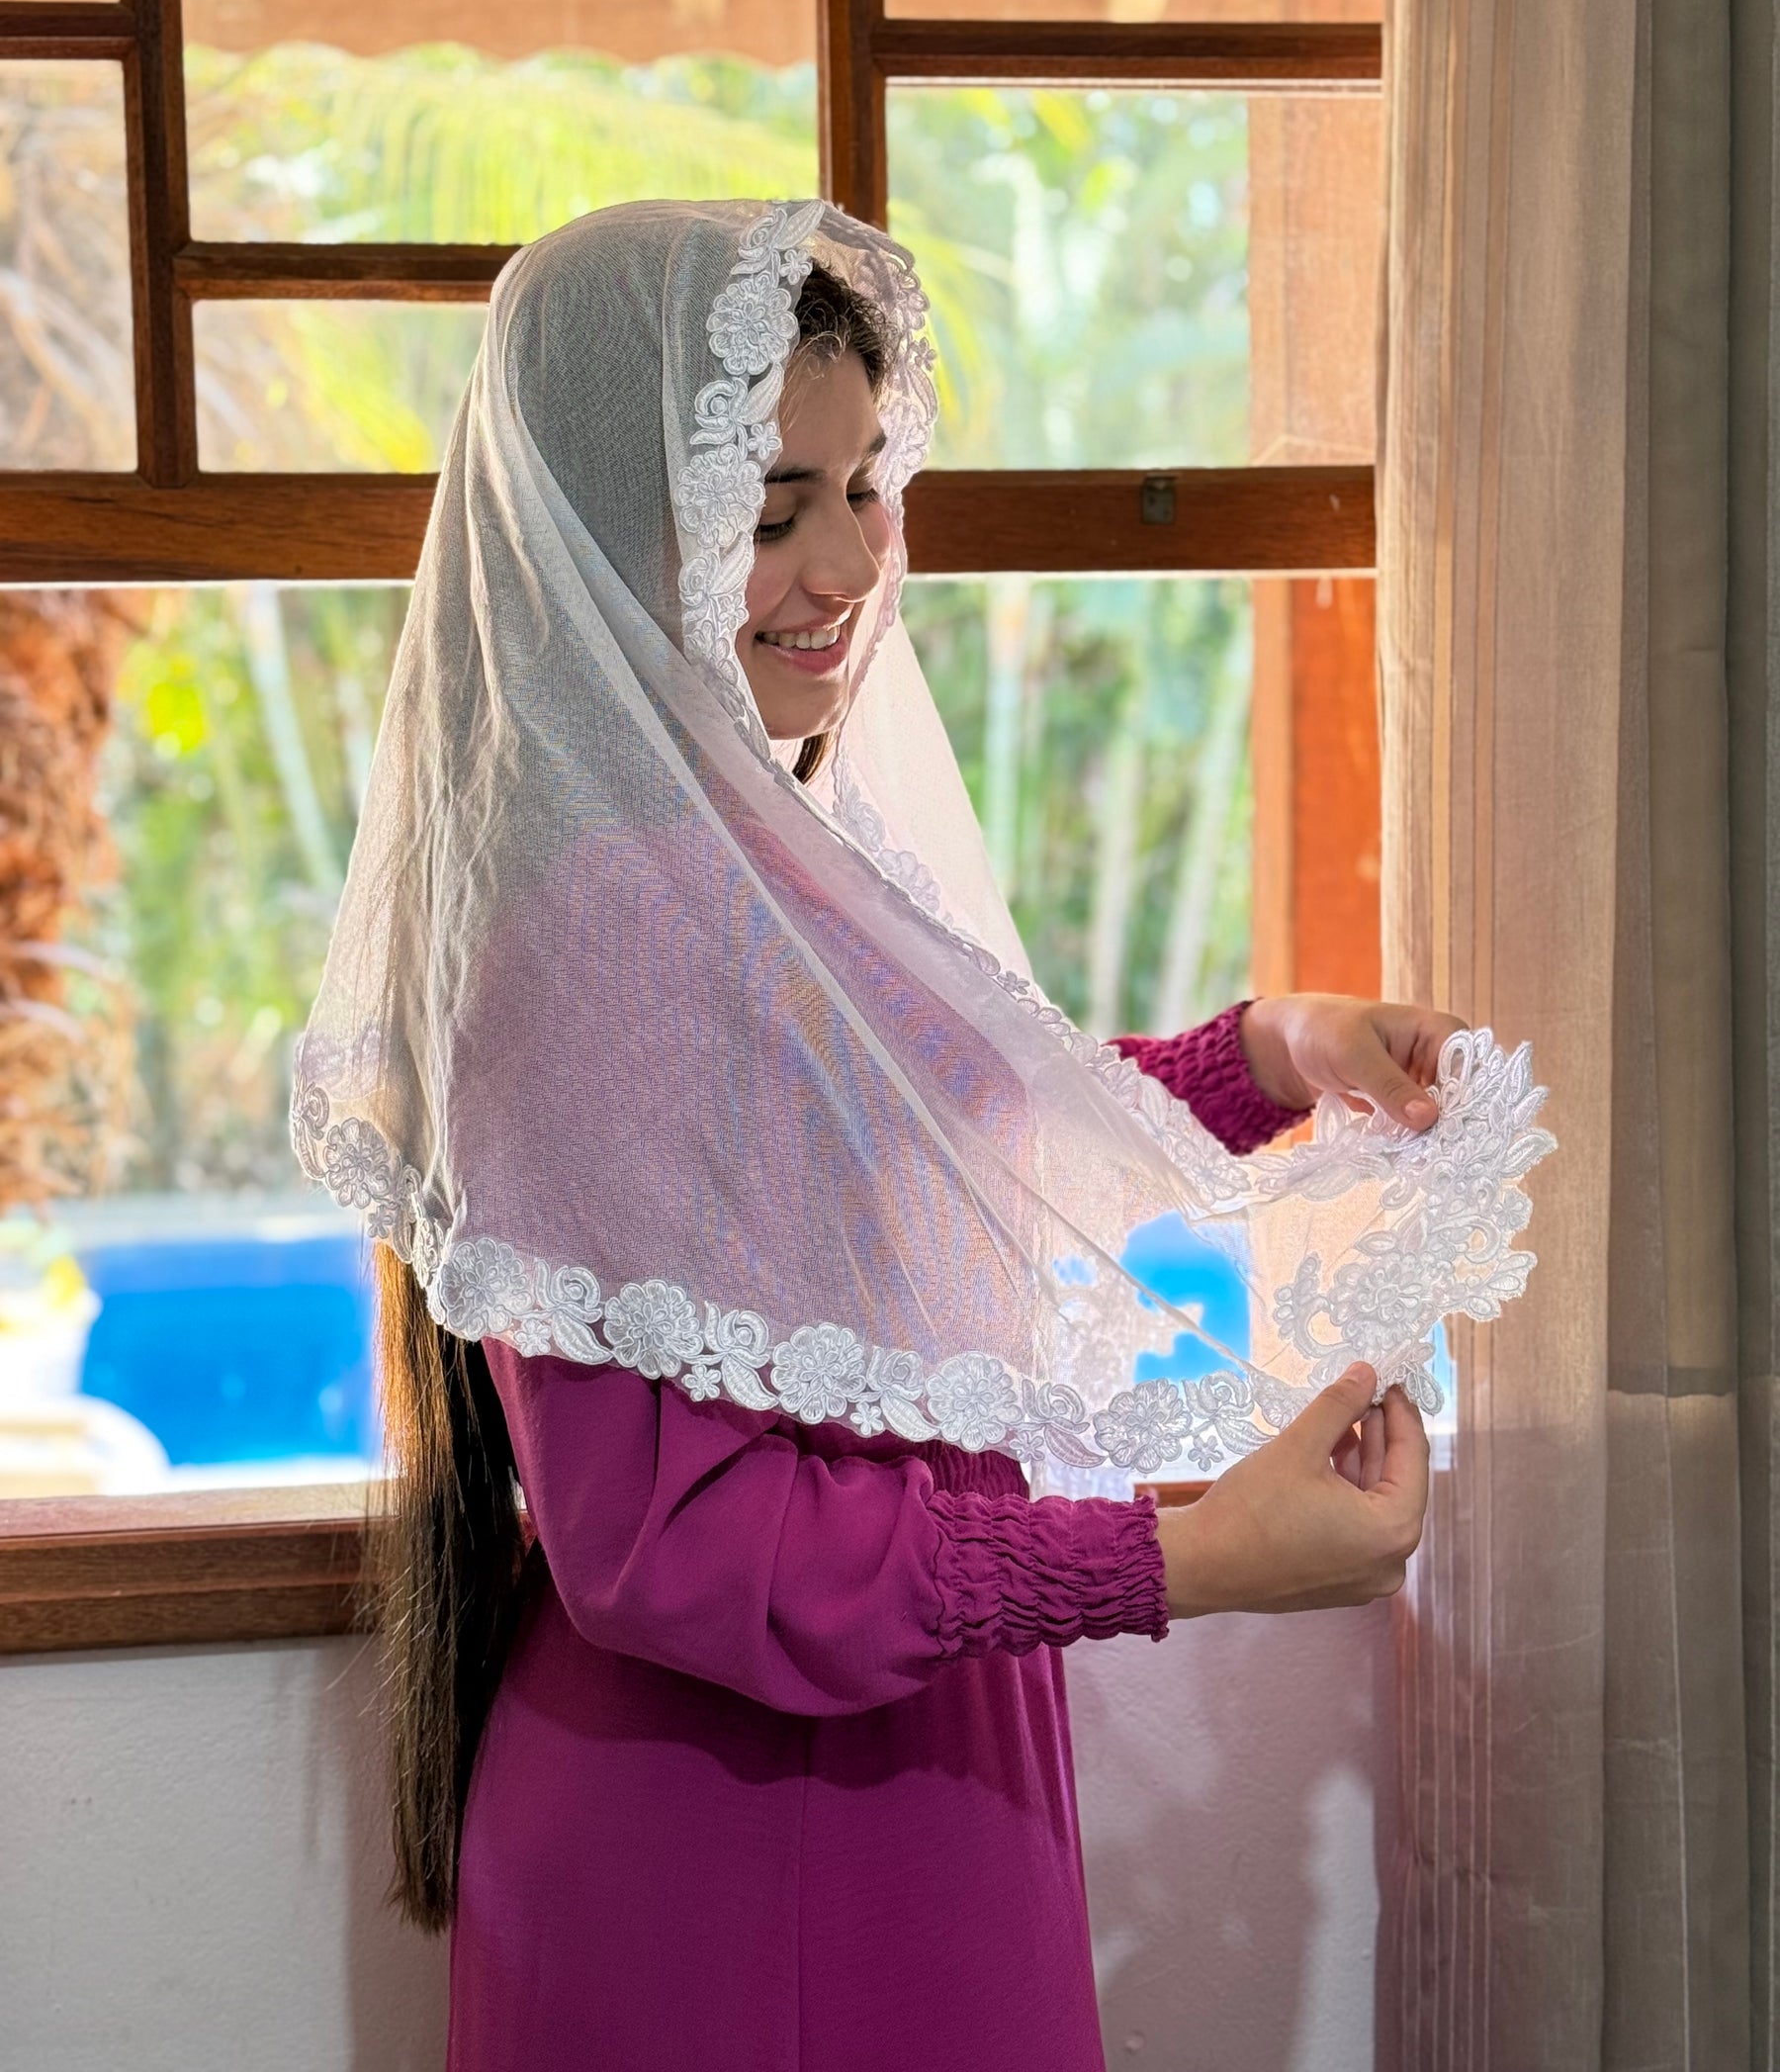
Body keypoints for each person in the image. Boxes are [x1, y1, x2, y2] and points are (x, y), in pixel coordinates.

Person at [294, 201, 1483, 2072]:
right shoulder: (593, 937)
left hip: (893, 1748)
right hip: (742, 1821)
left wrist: (1271, 1051)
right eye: (771, 508)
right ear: (626, 531)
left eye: (866, 487)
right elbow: (667, 1545)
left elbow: (922, 1156)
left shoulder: (760, 858)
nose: (843, 564)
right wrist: (1186, 1559)